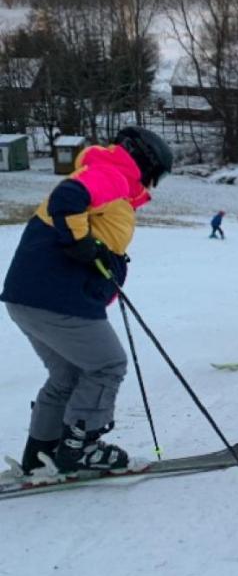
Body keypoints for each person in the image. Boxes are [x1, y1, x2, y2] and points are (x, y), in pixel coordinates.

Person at [2, 126, 173, 473]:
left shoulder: (107, 175)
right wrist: (79, 242)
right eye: (157, 174)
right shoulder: (113, 175)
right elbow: (69, 197)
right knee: (108, 365)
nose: (154, 183)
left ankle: (42, 453)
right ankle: (81, 448)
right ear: (145, 162)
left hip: (29, 297)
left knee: (67, 375)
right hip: (57, 298)